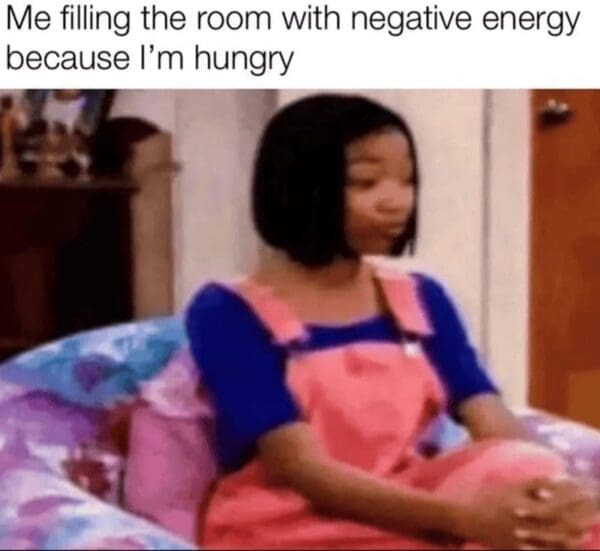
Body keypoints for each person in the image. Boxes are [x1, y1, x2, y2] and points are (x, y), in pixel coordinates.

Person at [185, 94, 599, 550]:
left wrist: (555, 495)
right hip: (294, 522)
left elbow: (491, 419)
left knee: (531, 481)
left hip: (414, 505)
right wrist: (464, 520)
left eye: (408, 181)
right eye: (365, 183)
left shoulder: (421, 297)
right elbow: (302, 469)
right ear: (297, 186)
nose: (396, 202)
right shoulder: (226, 310)